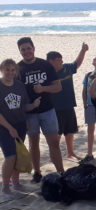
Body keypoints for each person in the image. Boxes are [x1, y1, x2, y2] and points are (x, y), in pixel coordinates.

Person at [17, 37, 64, 183]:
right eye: (23, 49)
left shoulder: (45, 65)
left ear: (33, 48)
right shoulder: (18, 69)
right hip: (30, 114)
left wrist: (43, 88)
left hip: (47, 110)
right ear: (20, 51)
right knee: (33, 143)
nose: (26, 52)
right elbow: (16, 94)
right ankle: (37, 172)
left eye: (28, 48)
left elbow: (58, 87)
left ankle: (61, 172)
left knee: (54, 143)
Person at [0, 59, 40, 193]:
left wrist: (33, 106)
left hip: (20, 125)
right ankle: (5, 185)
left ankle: (15, 182)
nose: (10, 73)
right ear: (2, 70)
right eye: (7, 70)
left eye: (12, 70)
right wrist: (10, 128)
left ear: (16, 71)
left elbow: (24, 106)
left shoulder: (19, 85)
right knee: (10, 156)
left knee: (17, 155)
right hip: (4, 126)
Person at [47, 42, 89, 161]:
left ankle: (70, 153)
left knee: (70, 131)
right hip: (55, 108)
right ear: (51, 62)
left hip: (69, 105)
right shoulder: (47, 74)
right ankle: (55, 154)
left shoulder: (66, 68)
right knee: (57, 134)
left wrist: (83, 51)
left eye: (61, 59)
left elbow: (77, 63)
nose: (61, 61)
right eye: (58, 60)